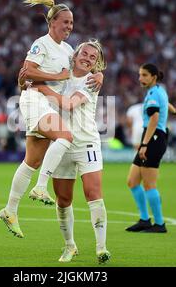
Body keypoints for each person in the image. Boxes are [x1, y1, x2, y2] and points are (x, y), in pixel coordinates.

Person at [0, 0, 102, 238]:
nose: (69, 26)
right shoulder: (40, 44)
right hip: (35, 101)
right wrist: (53, 77)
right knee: (65, 136)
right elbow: (27, 71)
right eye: (65, 22)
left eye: (72, 23)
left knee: (31, 160)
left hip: (49, 105)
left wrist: (99, 74)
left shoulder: (68, 50)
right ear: (52, 21)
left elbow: (82, 67)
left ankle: (10, 209)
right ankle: (41, 187)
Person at [32, 39, 110, 264]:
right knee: (63, 199)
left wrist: (40, 86)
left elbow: (67, 104)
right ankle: (70, 246)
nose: (87, 58)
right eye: (84, 53)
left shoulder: (91, 81)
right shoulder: (60, 72)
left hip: (87, 144)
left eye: (92, 57)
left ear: (97, 63)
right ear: (74, 55)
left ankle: (101, 247)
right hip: (62, 145)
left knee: (93, 194)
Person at [125, 63, 176, 233]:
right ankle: (145, 220)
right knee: (132, 181)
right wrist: (175, 112)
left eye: (144, 75)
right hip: (153, 137)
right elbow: (166, 103)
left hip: (154, 138)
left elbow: (154, 118)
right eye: (140, 75)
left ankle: (159, 224)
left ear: (153, 77)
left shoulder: (153, 93)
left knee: (149, 184)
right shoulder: (159, 91)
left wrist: (144, 144)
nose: (140, 78)